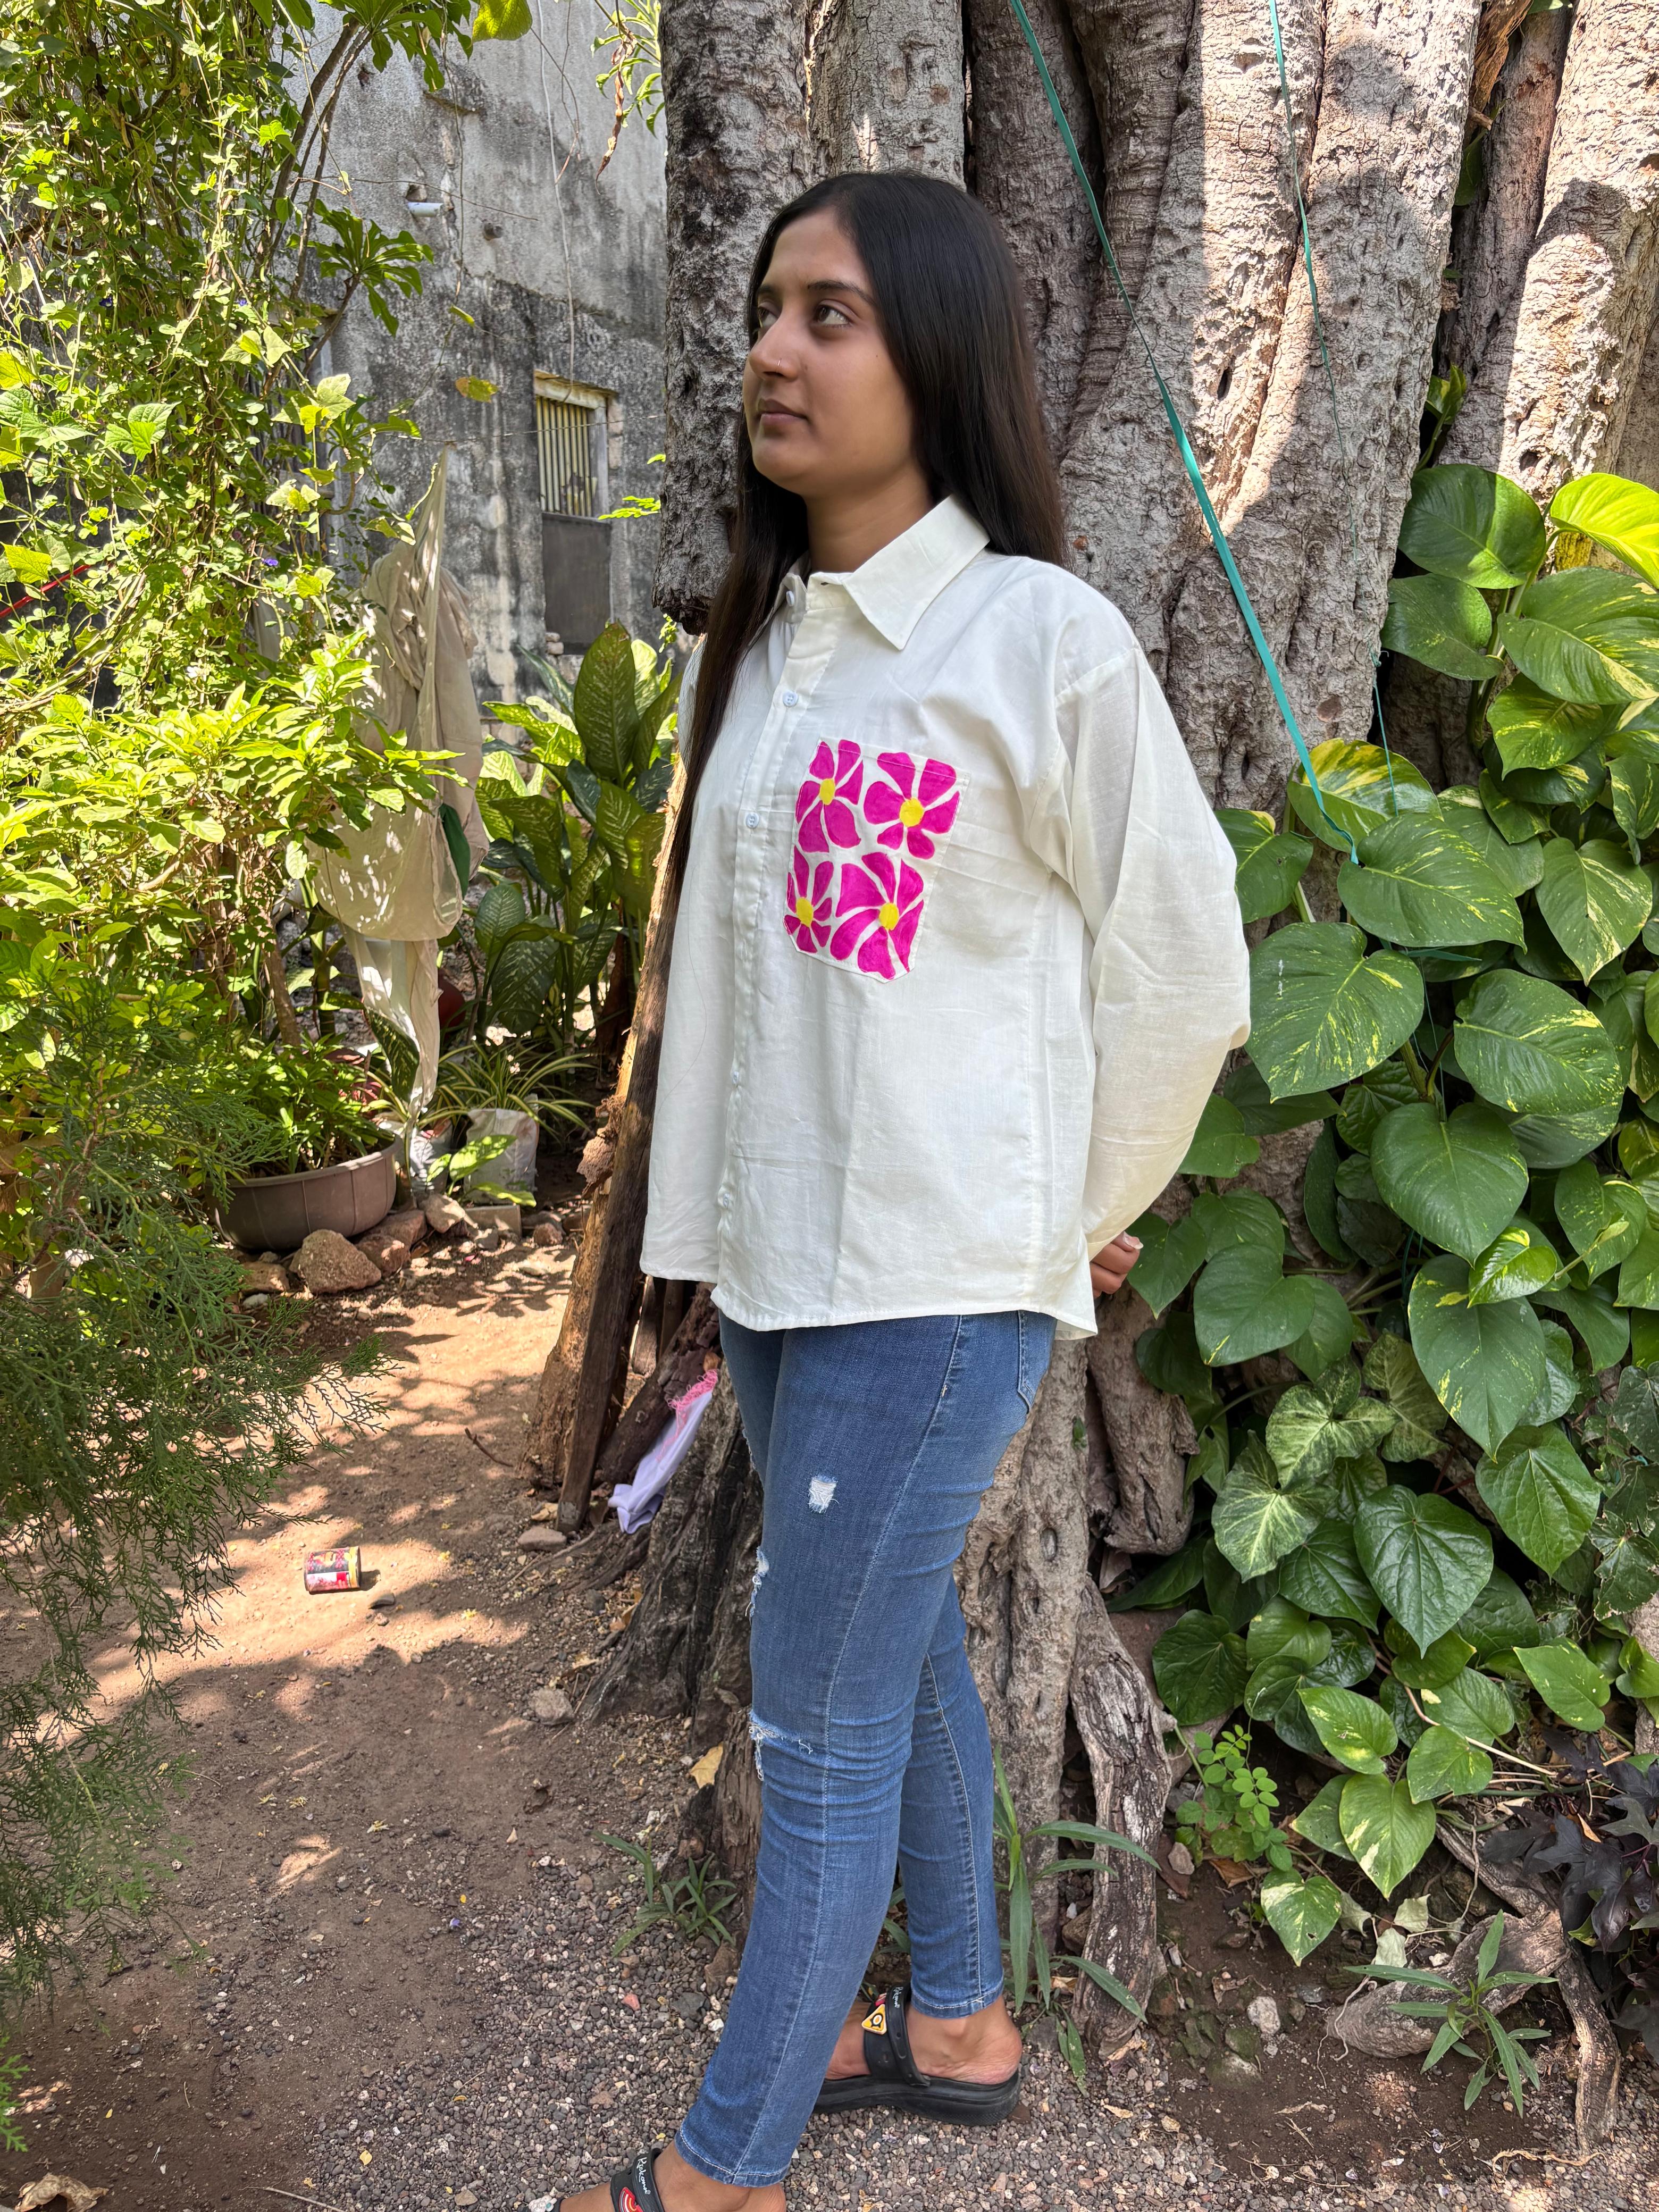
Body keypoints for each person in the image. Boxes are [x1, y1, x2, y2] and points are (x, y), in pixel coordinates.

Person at [550, 169, 1250, 2212]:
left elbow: (1187, 971)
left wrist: (1068, 1207)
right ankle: (960, 2027)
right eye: (769, 309)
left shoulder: (1039, 640)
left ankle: (725, 2166)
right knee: (896, 1647)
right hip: (784, 1263)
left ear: (936, 356)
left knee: (822, 1717)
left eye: (830, 314)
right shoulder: (771, 646)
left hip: (932, 1286)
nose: (773, 350)